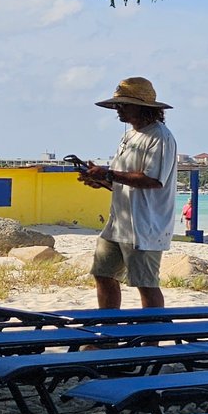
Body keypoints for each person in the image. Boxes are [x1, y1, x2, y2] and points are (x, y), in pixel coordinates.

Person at [76, 77, 178, 309]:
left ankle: (151, 339)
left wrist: (109, 174)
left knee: (146, 284)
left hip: (144, 227)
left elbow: (153, 180)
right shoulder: (129, 136)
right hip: (118, 225)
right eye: (117, 105)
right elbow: (125, 180)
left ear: (142, 107)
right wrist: (100, 180)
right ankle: (108, 332)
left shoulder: (159, 137)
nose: (118, 109)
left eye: (124, 104)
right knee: (103, 274)